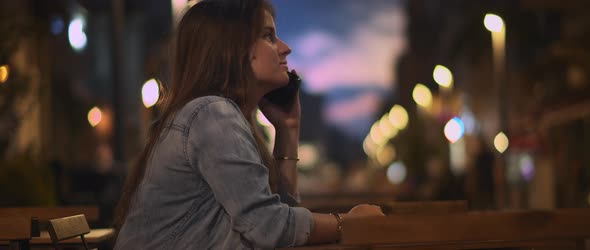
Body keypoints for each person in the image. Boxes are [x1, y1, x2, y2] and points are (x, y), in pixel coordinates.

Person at [113, 0, 384, 249]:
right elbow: (270, 227)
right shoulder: (212, 114)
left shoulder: (218, 115)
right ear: (232, 48)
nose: (285, 48)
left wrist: (288, 129)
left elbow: (275, 216)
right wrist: (346, 222)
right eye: (268, 36)